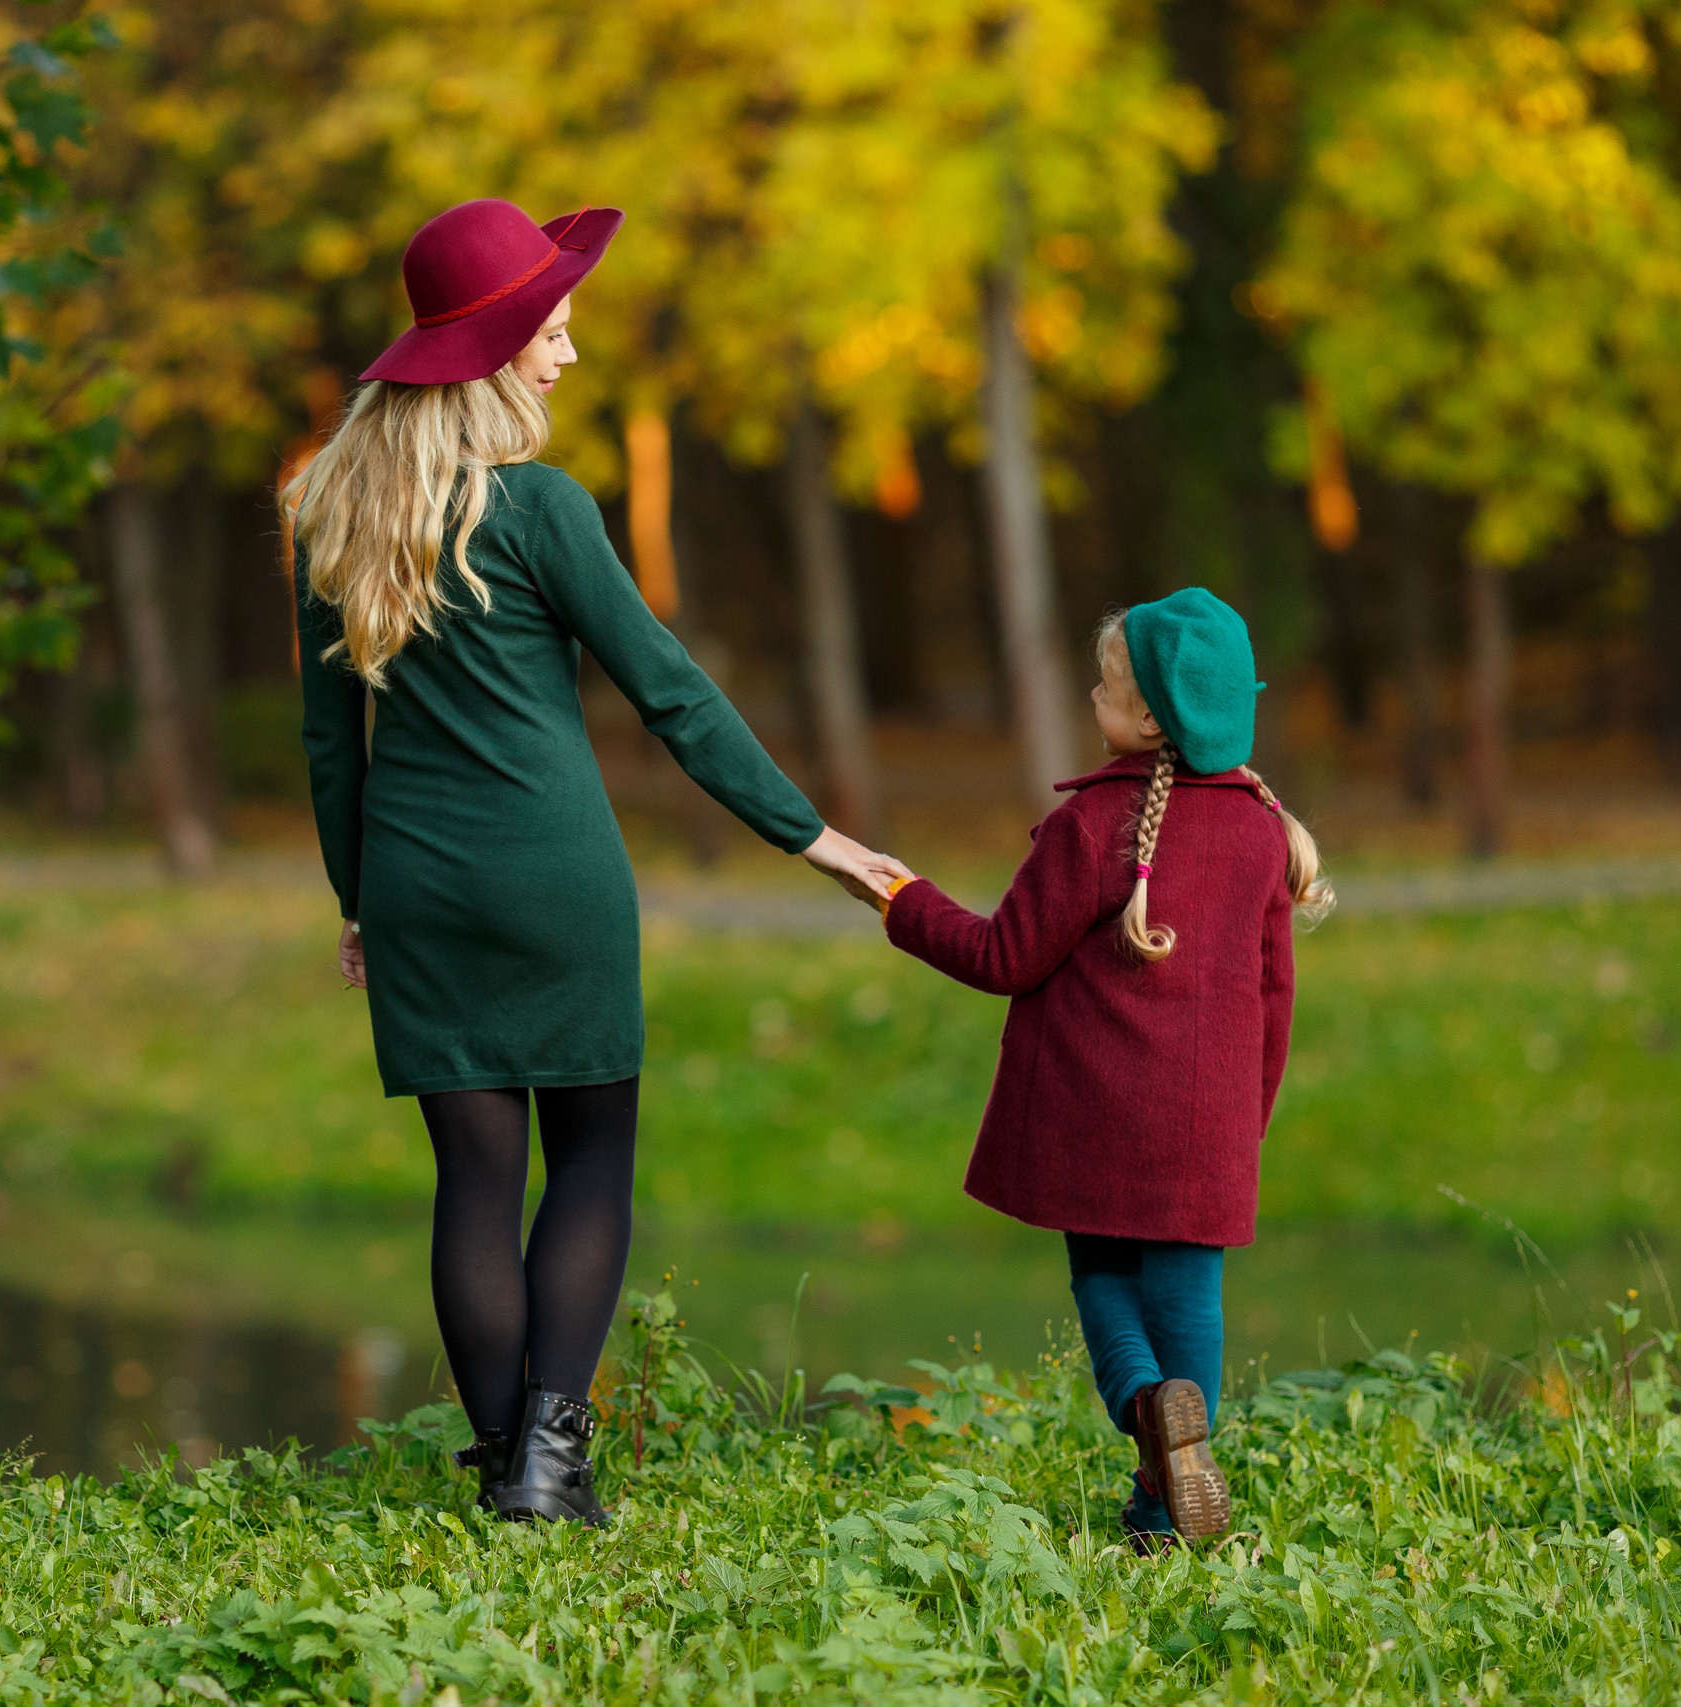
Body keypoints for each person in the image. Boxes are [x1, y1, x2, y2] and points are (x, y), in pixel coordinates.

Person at [289, 198, 908, 1525]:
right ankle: (549, 1467)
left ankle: (506, 1458)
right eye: (553, 334)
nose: (566, 356)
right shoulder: (541, 509)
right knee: (591, 1161)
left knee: (472, 1178)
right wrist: (820, 838)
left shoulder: (331, 516)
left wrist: (359, 900)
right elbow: (671, 693)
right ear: (494, 355)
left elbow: (330, 747)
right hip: (555, 876)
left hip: (419, 887)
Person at [876, 588, 1332, 1549]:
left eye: (1107, 684)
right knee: (1189, 1299)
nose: (1093, 692)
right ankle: (1168, 1507)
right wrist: (1241, 1125)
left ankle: (1141, 1401)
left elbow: (1004, 955)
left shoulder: (1094, 829)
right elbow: (1274, 998)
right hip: (1207, 1121)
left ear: (1151, 717)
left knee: (1101, 1278)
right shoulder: (1261, 831)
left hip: (1094, 1117)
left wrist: (902, 898)